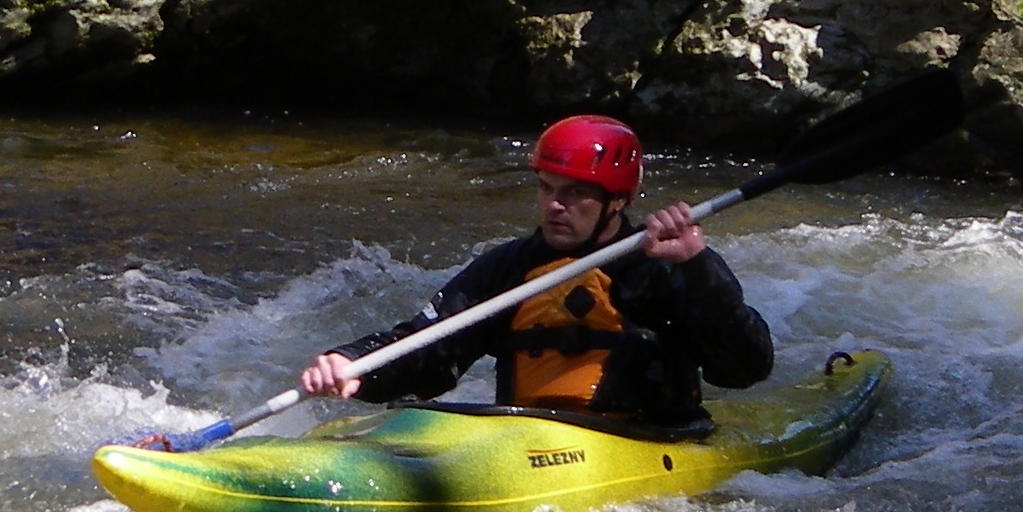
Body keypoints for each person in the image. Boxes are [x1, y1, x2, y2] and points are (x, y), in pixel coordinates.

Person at [298, 116, 774, 429]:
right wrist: (354, 365)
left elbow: (746, 367)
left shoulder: (665, 265)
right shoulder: (511, 267)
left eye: (574, 193)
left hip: (644, 441)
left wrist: (696, 265)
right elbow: (430, 348)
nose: (554, 206)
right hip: (528, 441)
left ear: (617, 201)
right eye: (546, 188)